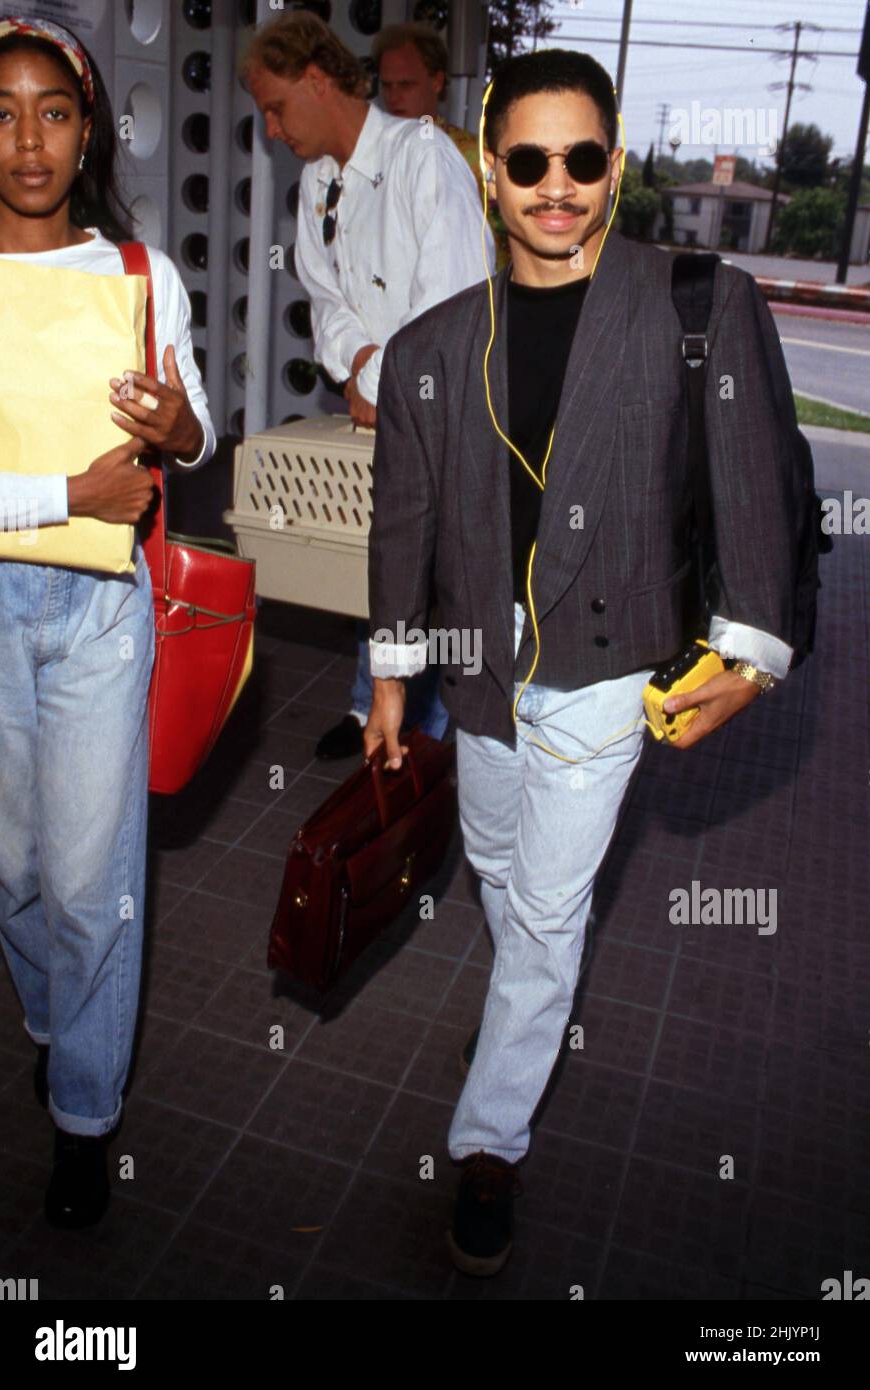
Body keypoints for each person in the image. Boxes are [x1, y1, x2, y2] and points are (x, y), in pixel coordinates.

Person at [365, 49, 812, 1276]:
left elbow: (760, 485)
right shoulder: (428, 347)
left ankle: (488, 1145)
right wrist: (393, 681)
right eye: (527, 161)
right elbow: (401, 523)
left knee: (551, 908)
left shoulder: (692, 303)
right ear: (488, 171)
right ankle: (529, 1010)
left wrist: (752, 653)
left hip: (614, 666)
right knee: (502, 872)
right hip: (477, 672)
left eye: (580, 160)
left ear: (612, 169)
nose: (554, 186)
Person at [0, 16, 215, 1229]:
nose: (29, 139)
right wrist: (69, 493)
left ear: (87, 131)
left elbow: (199, 431)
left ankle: (84, 1112)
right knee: (10, 870)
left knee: (88, 879)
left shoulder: (138, 274)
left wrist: (179, 430)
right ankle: (51, 1016)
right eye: (0, 112)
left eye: (54, 112)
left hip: (99, 610)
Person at [241, 10, 494, 761]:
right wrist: (358, 368)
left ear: (318, 80)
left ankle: (434, 744)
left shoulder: (423, 158)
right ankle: (371, 711)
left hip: (445, 417)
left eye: (276, 106)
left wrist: (378, 380)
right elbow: (327, 307)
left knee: (440, 583)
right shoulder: (315, 183)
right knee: (379, 563)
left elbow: (452, 304)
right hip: (375, 406)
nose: (272, 129)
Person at [372, 20, 510, 269]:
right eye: (386, 85)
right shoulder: (371, 153)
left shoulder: (472, 156)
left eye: (405, 85)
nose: (393, 97)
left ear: (436, 82)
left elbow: (501, 246)